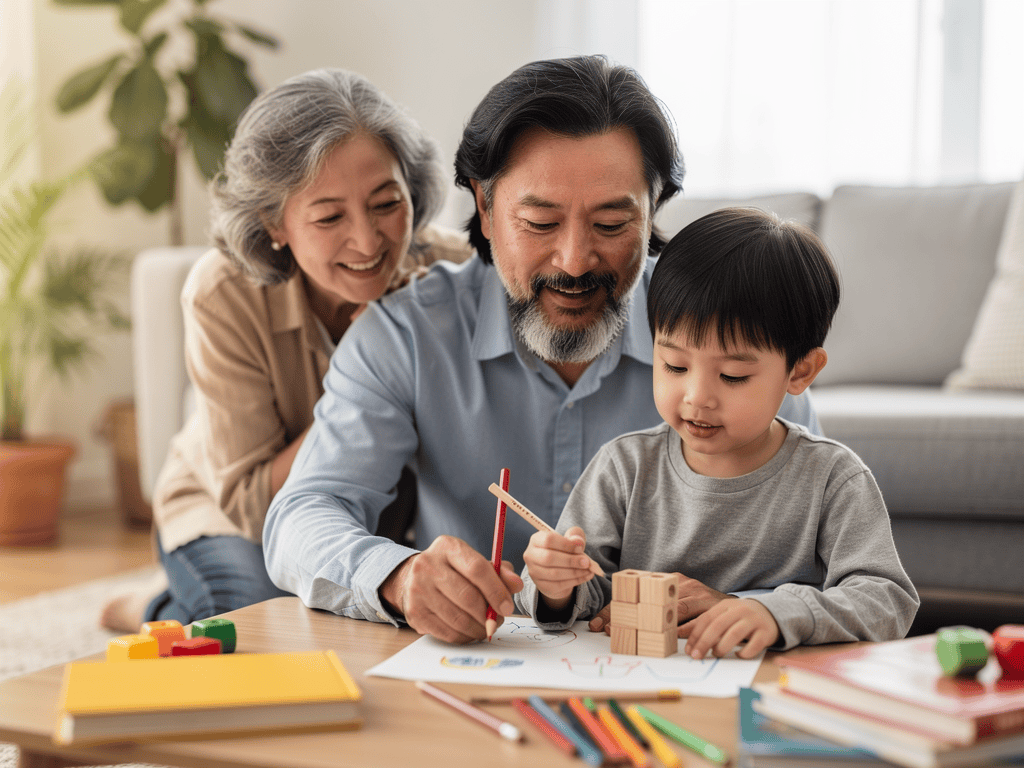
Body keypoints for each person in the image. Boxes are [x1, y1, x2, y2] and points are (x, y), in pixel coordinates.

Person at [263, 55, 823, 645]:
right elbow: (303, 516)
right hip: (477, 665)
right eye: (539, 222)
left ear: (653, 209)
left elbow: (821, 544)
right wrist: (398, 578)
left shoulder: (741, 333)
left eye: (612, 225)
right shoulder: (405, 336)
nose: (575, 261)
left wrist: (749, 605)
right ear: (484, 208)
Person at [100, 68, 471, 631]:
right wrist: (370, 367)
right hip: (228, 514)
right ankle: (152, 606)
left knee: (359, 611)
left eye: (386, 203)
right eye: (329, 217)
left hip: (374, 510)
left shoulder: (455, 273)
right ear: (275, 222)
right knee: (260, 624)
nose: (368, 240)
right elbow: (252, 503)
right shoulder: (223, 293)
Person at [519, 207, 920, 659]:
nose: (697, 397)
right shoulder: (623, 467)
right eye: (675, 366)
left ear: (800, 371)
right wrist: (556, 587)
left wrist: (772, 612)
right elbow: (581, 586)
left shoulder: (833, 478)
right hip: (645, 681)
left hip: (769, 686)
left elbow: (888, 601)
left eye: (732, 376)